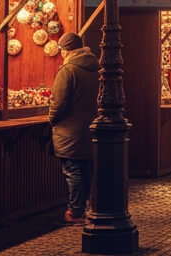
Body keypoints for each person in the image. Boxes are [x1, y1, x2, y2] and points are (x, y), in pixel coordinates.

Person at [49, 32, 100, 224]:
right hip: (88, 129)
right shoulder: (95, 67)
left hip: (69, 130)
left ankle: (75, 211)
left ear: (66, 50)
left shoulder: (68, 70)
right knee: (85, 169)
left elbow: (59, 102)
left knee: (73, 171)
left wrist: (52, 119)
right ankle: (87, 205)